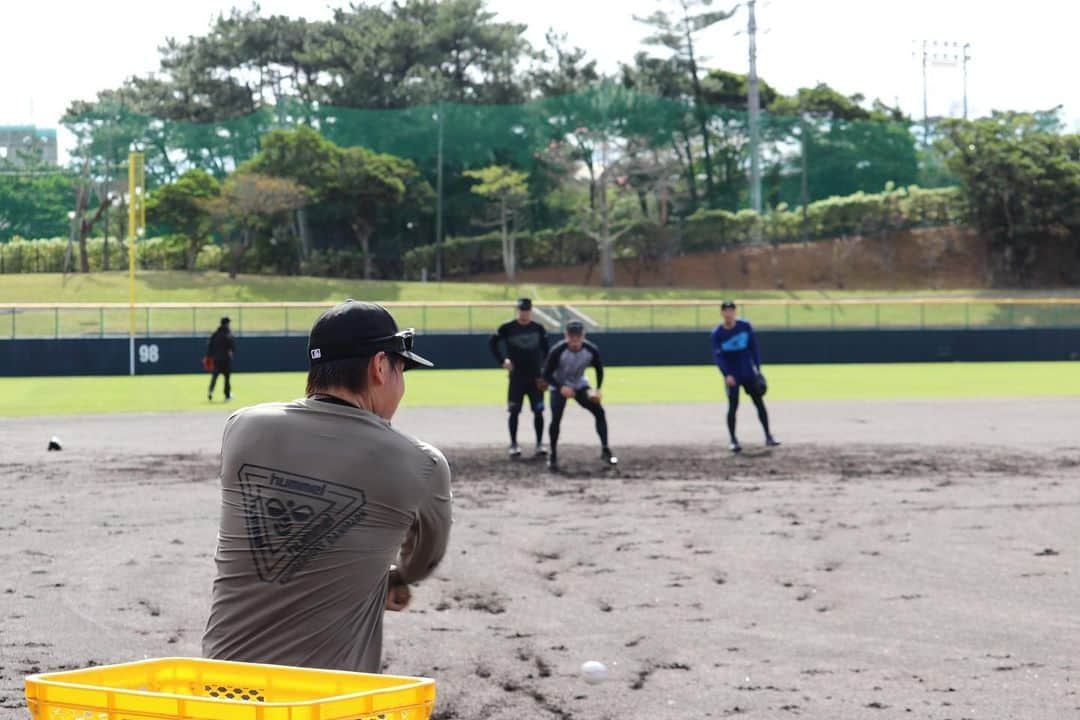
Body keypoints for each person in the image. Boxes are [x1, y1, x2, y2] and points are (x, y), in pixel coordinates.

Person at [203, 300, 453, 674]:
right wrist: (394, 577)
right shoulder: (421, 463)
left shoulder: (242, 428)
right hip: (329, 701)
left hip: (220, 692)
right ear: (380, 366)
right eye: (402, 369)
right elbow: (422, 559)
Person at [543, 321, 617, 472]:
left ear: (583, 336)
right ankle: (553, 455)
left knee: (599, 412)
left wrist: (597, 389)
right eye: (572, 337)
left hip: (579, 384)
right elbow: (546, 374)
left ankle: (605, 450)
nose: (575, 340)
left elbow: (599, 369)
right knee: (556, 418)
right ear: (566, 336)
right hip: (559, 384)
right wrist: (560, 387)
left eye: (578, 336)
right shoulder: (558, 350)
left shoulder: (591, 349)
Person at [710, 300, 779, 453]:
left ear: (735, 312)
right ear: (722, 313)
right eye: (726, 310)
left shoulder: (745, 326)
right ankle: (733, 440)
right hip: (732, 375)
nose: (728, 313)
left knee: (759, 403)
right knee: (733, 406)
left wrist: (758, 370)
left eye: (731, 310)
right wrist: (726, 374)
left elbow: (754, 348)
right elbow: (718, 357)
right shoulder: (717, 334)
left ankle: (768, 436)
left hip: (748, 372)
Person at [489, 298, 550, 458]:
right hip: (517, 377)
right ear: (518, 311)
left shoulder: (538, 328)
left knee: (538, 411)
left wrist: (546, 372)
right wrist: (502, 361)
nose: (524, 313)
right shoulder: (508, 328)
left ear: (531, 311)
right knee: (514, 411)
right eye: (522, 310)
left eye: (527, 310)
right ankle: (514, 444)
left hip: (535, 377)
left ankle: (539, 444)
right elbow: (492, 343)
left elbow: (547, 350)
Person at [206, 317, 235, 402]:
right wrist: (231, 353)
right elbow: (232, 347)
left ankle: (210, 392)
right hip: (226, 359)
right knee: (227, 378)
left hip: (216, 359)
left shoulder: (215, 333)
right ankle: (227, 395)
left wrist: (209, 356)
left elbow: (210, 345)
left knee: (214, 377)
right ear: (226, 323)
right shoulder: (228, 334)